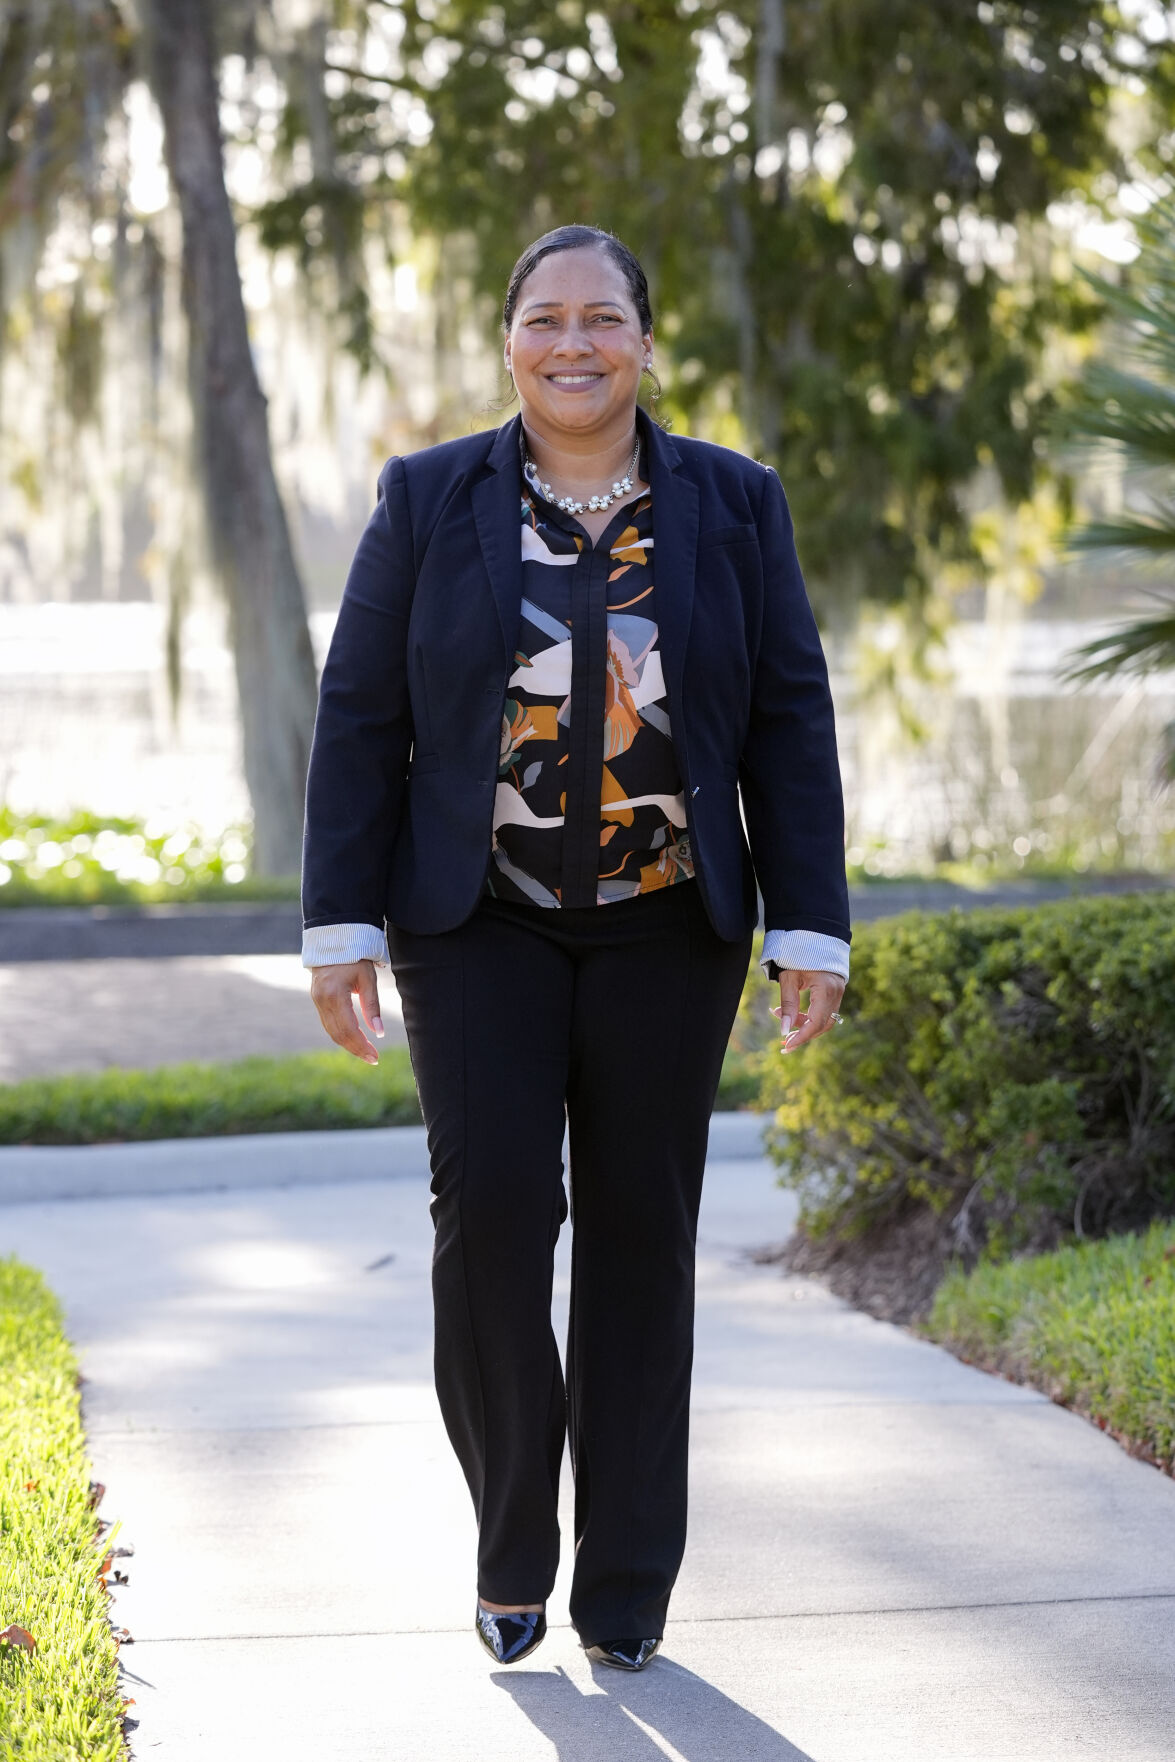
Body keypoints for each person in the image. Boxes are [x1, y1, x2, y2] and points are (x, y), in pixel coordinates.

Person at [301, 224, 850, 1673]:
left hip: (672, 924)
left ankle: (624, 1582)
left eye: (603, 317)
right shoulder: (426, 500)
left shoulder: (733, 503)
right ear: (508, 342)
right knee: (487, 1224)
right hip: (472, 919)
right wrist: (338, 922)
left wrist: (812, 923)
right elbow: (362, 710)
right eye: (545, 318)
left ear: (646, 342)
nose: (574, 343)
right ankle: (510, 1538)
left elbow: (790, 712)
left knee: (639, 1239)